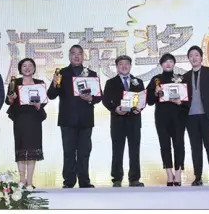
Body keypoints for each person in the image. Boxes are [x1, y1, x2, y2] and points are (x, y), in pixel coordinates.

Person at [47, 44, 102, 188]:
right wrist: (54, 84)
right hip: (67, 119)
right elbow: (51, 95)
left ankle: (84, 181)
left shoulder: (91, 73)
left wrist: (90, 98)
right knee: (68, 152)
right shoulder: (62, 73)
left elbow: (99, 96)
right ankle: (69, 181)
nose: (76, 56)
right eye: (73, 53)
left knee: (84, 152)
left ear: (83, 56)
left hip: (86, 119)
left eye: (79, 53)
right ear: (69, 56)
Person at [183, 45, 209, 186]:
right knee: (195, 148)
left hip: (208, 116)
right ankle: (198, 177)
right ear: (188, 59)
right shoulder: (185, 76)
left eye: (196, 55)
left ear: (201, 57)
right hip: (190, 117)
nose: (194, 58)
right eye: (191, 56)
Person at [102, 55, 145, 187]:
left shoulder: (138, 82)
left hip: (134, 121)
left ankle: (134, 178)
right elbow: (105, 100)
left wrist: (140, 108)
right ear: (117, 67)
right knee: (117, 150)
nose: (124, 66)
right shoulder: (110, 82)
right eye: (121, 64)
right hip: (118, 120)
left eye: (127, 64)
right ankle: (116, 178)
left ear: (130, 66)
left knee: (135, 150)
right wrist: (115, 109)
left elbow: (142, 99)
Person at [146, 53, 187, 186]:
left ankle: (178, 173)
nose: (168, 64)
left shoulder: (181, 78)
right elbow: (149, 101)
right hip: (161, 117)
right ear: (161, 64)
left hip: (178, 117)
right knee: (164, 145)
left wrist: (180, 102)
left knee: (179, 144)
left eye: (170, 61)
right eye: (165, 62)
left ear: (174, 63)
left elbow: (187, 100)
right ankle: (169, 174)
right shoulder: (156, 79)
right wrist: (155, 93)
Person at [4, 58, 46, 188]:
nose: (27, 68)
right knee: (21, 148)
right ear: (20, 68)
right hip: (20, 118)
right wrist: (11, 98)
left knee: (33, 149)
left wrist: (39, 105)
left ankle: (30, 181)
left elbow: (43, 100)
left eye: (30, 66)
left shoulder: (40, 83)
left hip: (34, 119)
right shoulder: (14, 82)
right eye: (24, 66)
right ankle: (22, 180)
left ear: (34, 68)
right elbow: (8, 101)